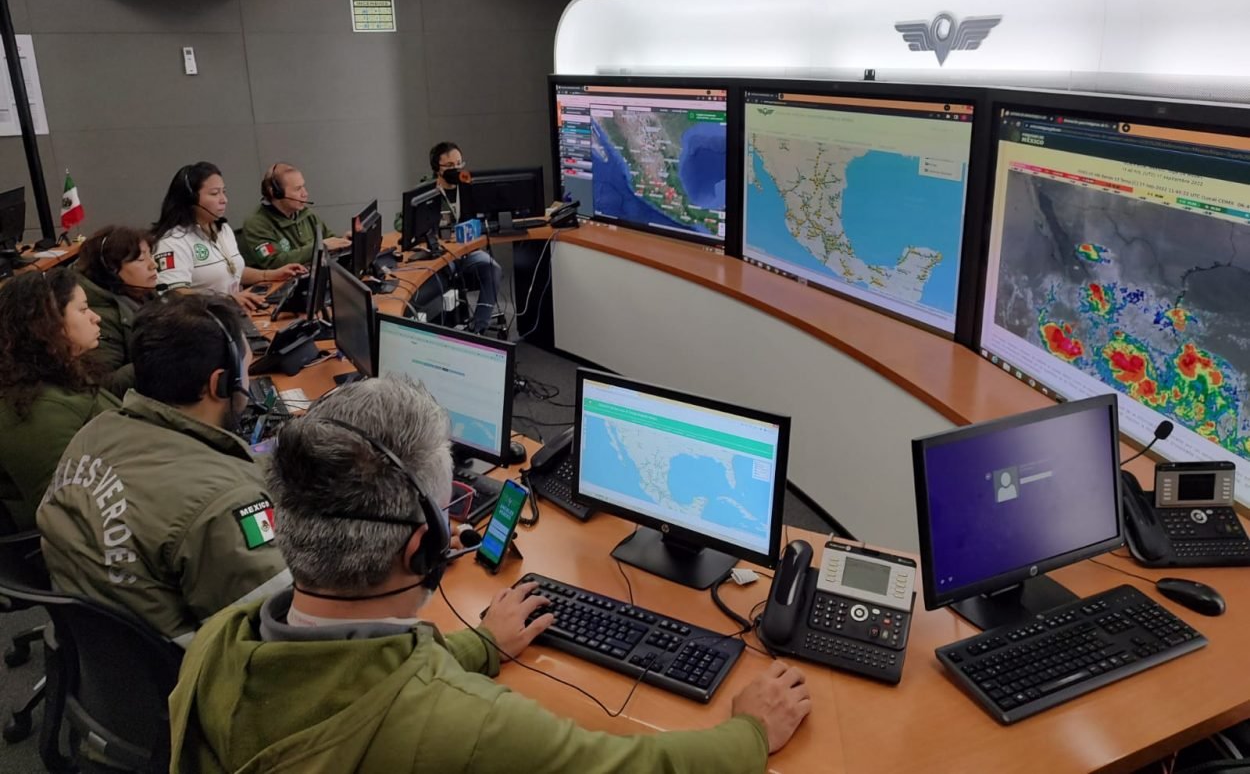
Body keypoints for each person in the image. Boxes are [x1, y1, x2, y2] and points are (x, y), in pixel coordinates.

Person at [168, 377, 811, 771]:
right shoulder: (469, 727)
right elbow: (634, 767)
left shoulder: (216, 643)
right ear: (424, 547)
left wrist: (480, 646)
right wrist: (750, 732)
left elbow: (348, 679)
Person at [37, 294, 290, 645]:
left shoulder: (96, 431)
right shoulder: (226, 505)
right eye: (246, 369)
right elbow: (281, 627)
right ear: (219, 383)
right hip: (198, 666)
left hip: (107, 651)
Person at [0, 271, 119, 531]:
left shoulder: (64, 372)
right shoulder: (33, 409)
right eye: (83, 309)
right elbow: (69, 513)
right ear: (47, 324)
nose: (95, 317)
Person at [152, 162, 304, 313]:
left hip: (231, 314)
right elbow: (174, 294)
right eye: (214, 193)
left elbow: (232, 271)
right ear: (190, 199)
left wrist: (270, 274)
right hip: (200, 321)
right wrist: (226, 299)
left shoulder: (222, 229)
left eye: (223, 192)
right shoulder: (172, 241)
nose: (224, 199)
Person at [76, 225, 160, 397]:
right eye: (141, 260)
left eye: (150, 256)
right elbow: (104, 386)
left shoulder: (144, 294)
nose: (153, 265)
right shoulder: (99, 318)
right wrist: (161, 356)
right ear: (111, 270)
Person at [430, 141, 504, 333]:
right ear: (437, 168)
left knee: (492, 268)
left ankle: (478, 329)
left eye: (459, 164)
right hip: (442, 256)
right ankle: (445, 331)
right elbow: (402, 222)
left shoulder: (469, 185)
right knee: (441, 278)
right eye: (450, 165)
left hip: (468, 252)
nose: (456, 169)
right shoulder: (427, 191)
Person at [239, 162, 351, 271]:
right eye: (297, 189)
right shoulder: (257, 223)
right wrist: (319, 247)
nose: (305, 193)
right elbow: (274, 262)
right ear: (276, 193)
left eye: (303, 186)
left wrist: (343, 241)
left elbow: (328, 238)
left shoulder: (307, 214)